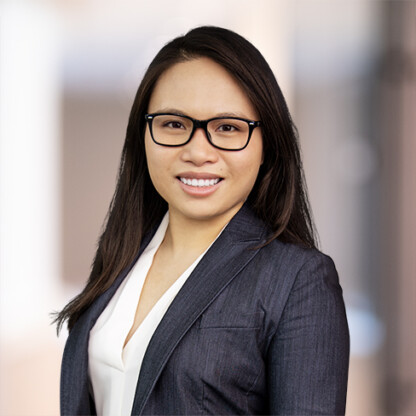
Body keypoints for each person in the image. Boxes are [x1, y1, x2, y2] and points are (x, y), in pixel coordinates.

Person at [56, 26, 349, 415]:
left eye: (227, 128)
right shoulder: (122, 255)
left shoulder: (297, 279)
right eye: (174, 124)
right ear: (143, 135)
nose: (198, 152)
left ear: (267, 144)